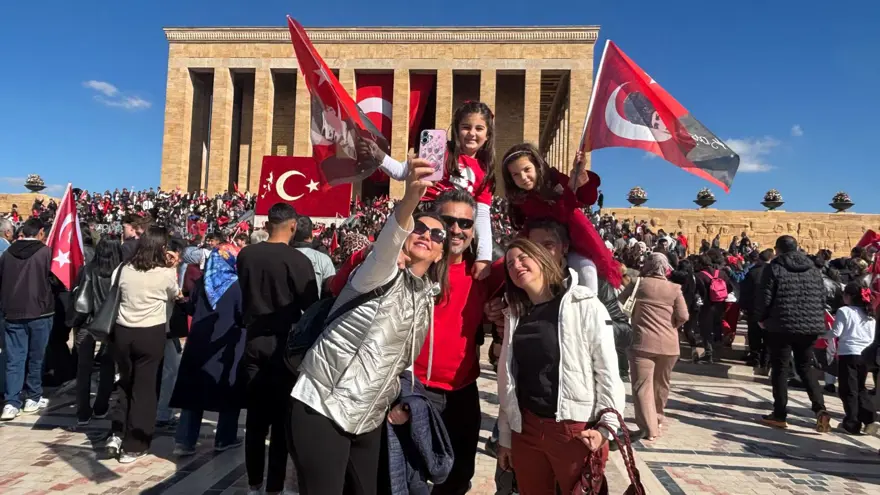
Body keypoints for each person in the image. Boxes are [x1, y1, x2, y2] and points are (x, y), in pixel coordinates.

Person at [288, 161, 449, 495]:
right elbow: (388, 244)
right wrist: (409, 202)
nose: (426, 235)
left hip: (369, 416)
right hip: (324, 403)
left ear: (439, 254)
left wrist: (398, 401)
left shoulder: (426, 299)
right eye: (419, 227)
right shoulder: (378, 272)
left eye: (437, 235)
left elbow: (401, 362)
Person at [495, 238, 625, 495]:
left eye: (523, 257)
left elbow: (607, 370)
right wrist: (506, 437)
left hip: (573, 429)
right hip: (526, 428)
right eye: (510, 264)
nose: (516, 265)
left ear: (542, 259)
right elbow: (509, 380)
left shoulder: (582, 302)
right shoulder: (515, 314)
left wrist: (605, 429)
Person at [237, 203, 319, 495]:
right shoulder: (297, 261)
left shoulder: (246, 255)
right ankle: (274, 486)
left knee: (256, 422)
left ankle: (254, 484)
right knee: (282, 423)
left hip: (254, 341)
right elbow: (311, 306)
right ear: (293, 225)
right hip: (285, 345)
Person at [366, 100, 496, 279]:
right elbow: (401, 171)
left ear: (488, 134)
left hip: (455, 224)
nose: (472, 133)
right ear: (457, 129)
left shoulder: (486, 169)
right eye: (466, 127)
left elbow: (481, 214)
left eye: (479, 128)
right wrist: (378, 155)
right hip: (425, 215)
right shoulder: (439, 150)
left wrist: (484, 258)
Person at [499, 143, 621, 292]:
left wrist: (579, 180)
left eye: (527, 169)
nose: (523, 177)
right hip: (542, 242)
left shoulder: (555, 180)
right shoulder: (520, 198)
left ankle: (590, 308)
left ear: (537, 166)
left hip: (575, 238)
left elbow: (584, 200)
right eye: (516, 174)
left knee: (587, 269)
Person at [106, 226, 181, 463]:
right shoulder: (165, 274)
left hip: (123, 332)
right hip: (151, 333)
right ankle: (134, 444)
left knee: (125, 383)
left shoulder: (123, 269)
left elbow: (113, 291)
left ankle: (117, 433)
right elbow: (175, 295)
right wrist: (174, 266)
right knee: (145, 389)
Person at [171, 243, 246, 455]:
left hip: (198, 342)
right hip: (226, 344)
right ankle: (225, 437)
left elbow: (192, 307)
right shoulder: (238, 285)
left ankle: (185, 441)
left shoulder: (204, 282)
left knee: (193, 393)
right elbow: (243, 314)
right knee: (228, 390)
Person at [756, 235, 831, 432]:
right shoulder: (814, 270)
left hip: (780, 325)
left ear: (778, 250)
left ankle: (780, 414)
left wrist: (761, 319)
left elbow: (765, 297)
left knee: (780, 369)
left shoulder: (774, 268)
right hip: (809, 327)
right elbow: (822, 299)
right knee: (806, 368)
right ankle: (820, 409)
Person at [618, 253, 688, 441]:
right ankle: (657, 417)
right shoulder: (674, 288)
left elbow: (621, 303)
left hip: (642, 342)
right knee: (661, 384)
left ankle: (649, 428)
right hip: (669, 345)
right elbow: (683, 316)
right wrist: (670, 325)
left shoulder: (638, 284)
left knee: (642, 386)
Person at [0, 219, 56, 420]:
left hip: (13, 312)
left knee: (14, 359)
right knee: (36, 357)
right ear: (41, 232)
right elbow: (55, 280)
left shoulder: (7, 254)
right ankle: (33, 396)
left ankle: (11, 402)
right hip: (40, 312)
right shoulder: (46, 253)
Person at [74, 238, 123, 426]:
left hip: (88, 323)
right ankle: (101, 406)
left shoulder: (88, 270)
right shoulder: (119, 273)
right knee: (108, 366)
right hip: (110, 323)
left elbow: (82, 297)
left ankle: (82, 411)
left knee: (83, 368)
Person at [827, 282, 877, 435]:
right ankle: (869, 419)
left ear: (849, 296)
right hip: (865, 355)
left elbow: (836, 332)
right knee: (860, 388)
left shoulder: (844, 311)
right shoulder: (869, 314)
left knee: (848, 389)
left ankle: (852, 422)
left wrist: (822, 334)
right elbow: (871, 337)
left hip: (848, 353)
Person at [739, 249, 775, 370]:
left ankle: (756, 358)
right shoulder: (775, 271)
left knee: (754, 334)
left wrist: (743, 307)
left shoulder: (752, 272)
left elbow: (744, 291)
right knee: (768, 336)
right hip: (770, 309)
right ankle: (766, 360)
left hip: (753, 308)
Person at [291, 215, 336, 298]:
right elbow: (330, 290)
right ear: (311, 234)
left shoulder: (279, 256)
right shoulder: (323, 259)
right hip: (313, 309)